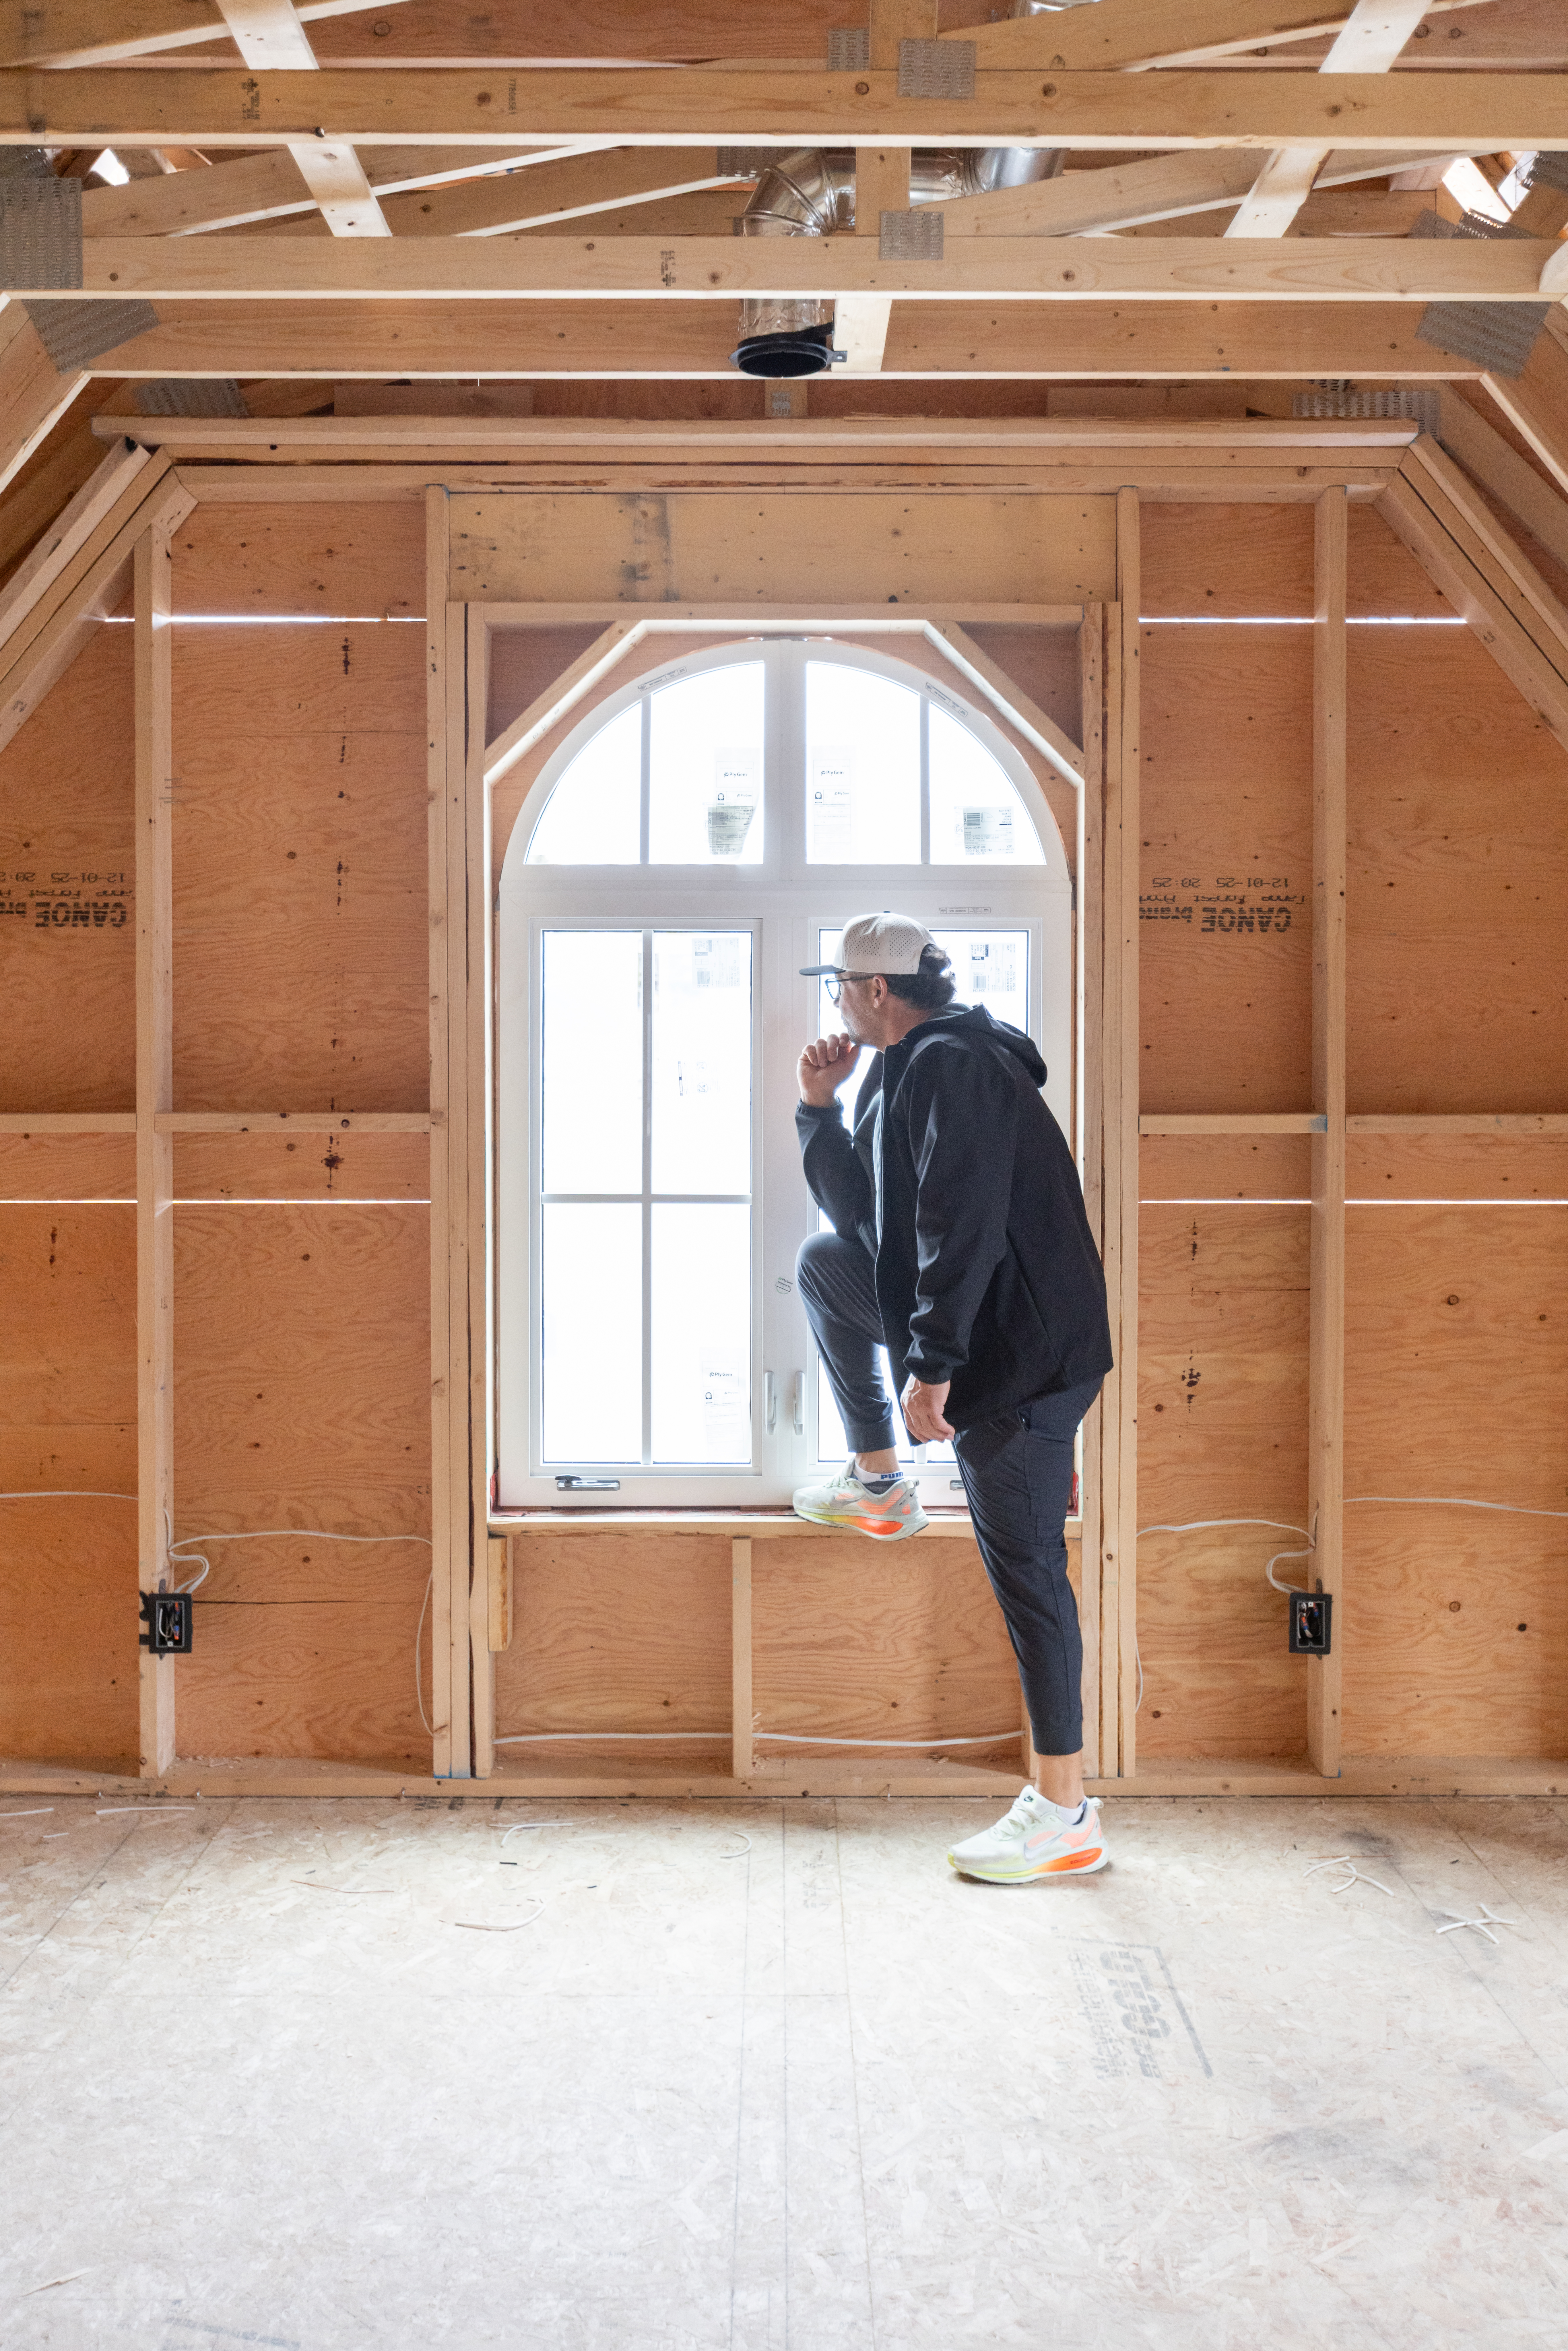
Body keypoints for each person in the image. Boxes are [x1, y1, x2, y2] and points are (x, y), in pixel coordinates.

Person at [792, 911, 1115, 1886]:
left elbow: (961, 1225)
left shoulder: (954, 1066)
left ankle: (1066, 1812)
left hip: (1022, 1359)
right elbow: (869, 1227)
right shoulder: (902, 1070)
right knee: (824, 1265)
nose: (839, 1000)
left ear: (878, 991)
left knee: (1028, 1577)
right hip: (990, 1339)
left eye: (842, 984)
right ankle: (881, 1484)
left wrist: (934, 1365)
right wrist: (819, 1108)